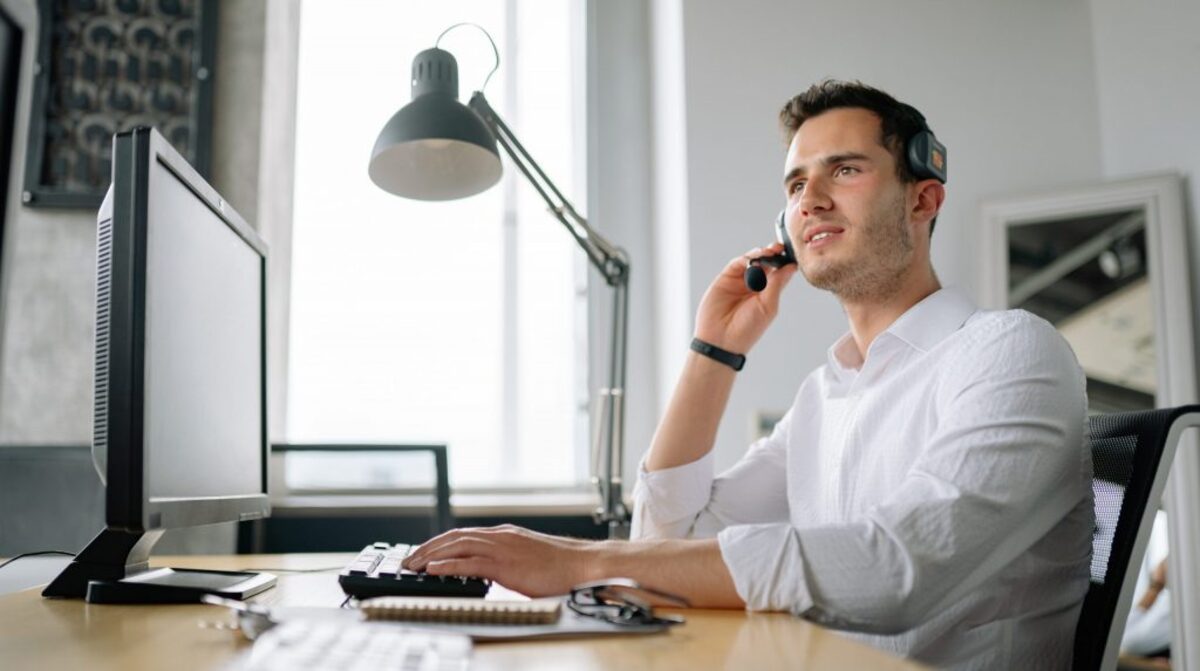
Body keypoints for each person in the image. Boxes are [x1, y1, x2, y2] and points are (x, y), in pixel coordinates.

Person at [403, 80, 1093, 670]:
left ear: (923, 200)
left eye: (845, 170)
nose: (811, 199)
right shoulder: (828, 393)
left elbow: (895, 573)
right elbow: (667, 539)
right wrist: (714, 350)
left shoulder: (1010, 352)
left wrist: (579, 562)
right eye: (796, 183)